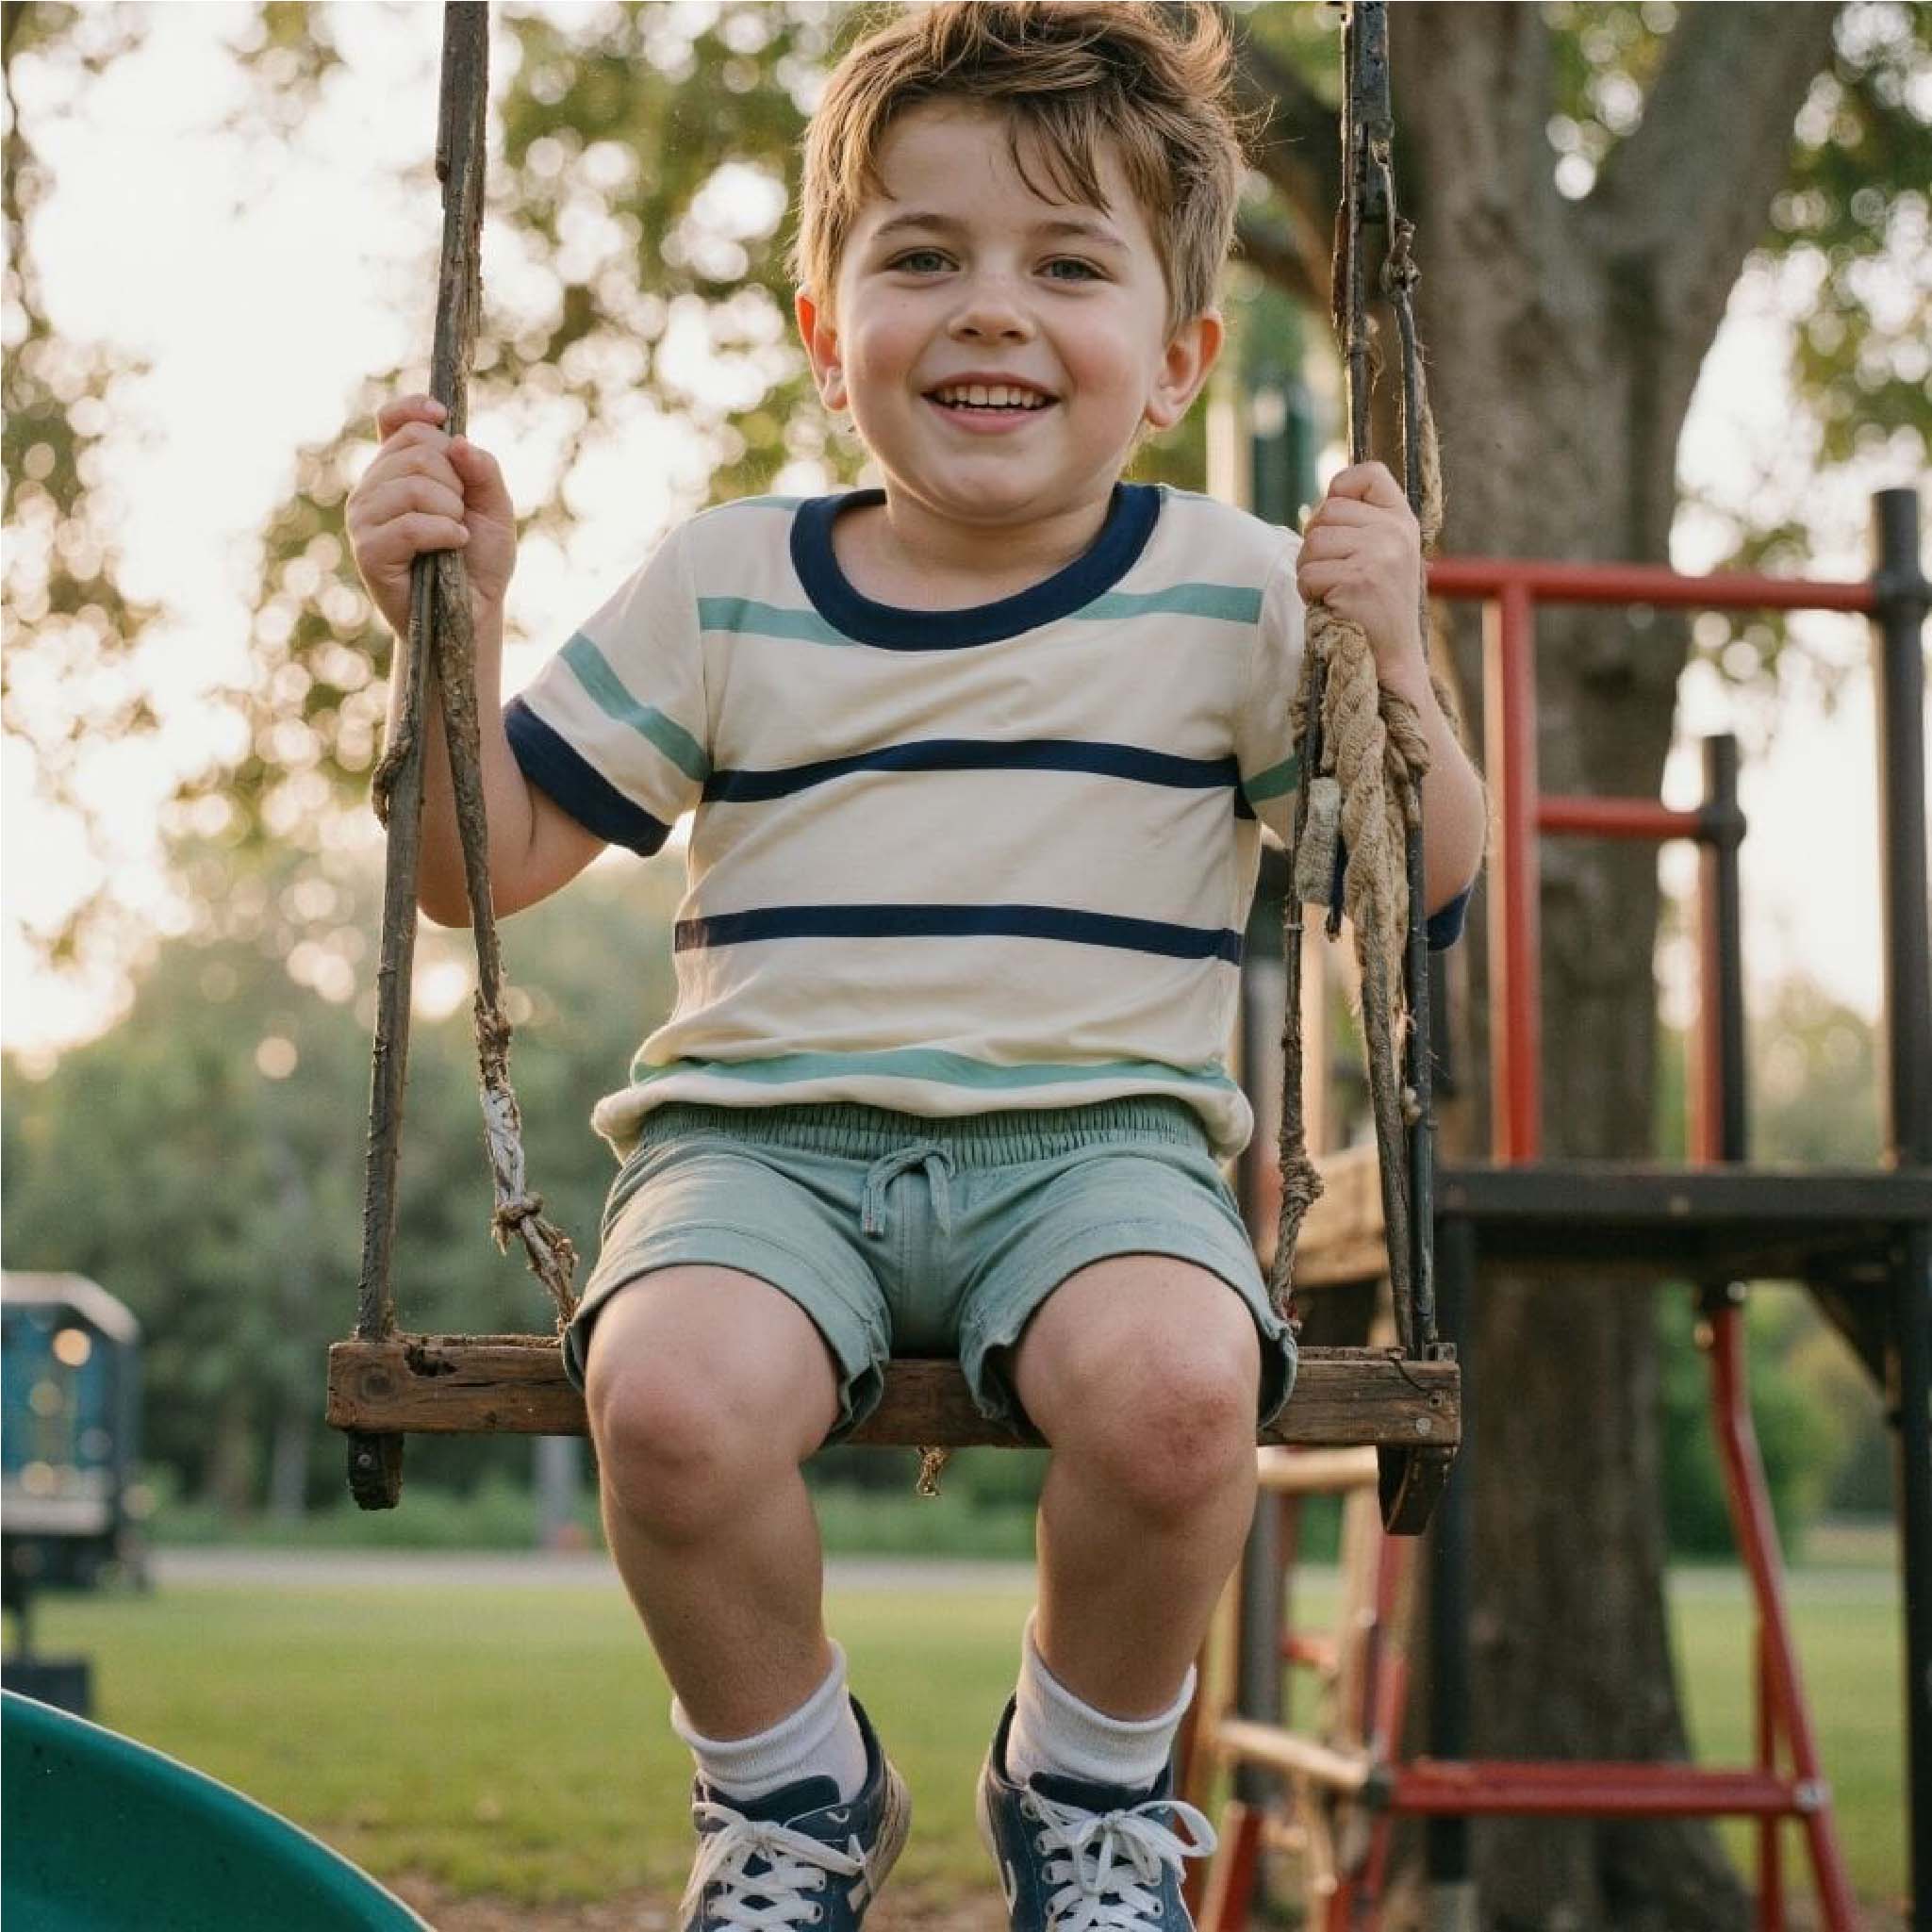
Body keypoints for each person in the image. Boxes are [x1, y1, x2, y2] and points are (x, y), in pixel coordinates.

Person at [347, 6, 1486, 1929]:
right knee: (670, 1398)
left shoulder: (1231, 589)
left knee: (1188, 1389)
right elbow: (469, 864)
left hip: (1103, 1153)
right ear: (823, 328)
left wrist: (1400, 663)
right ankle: (789, 1793)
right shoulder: (725, 581)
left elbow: (1419, 905)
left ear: (1172, 360)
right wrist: (442, 626)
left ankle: (1092, 1789)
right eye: (921, 255)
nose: (988, 309)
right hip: (756, 1151)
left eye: (1065, 265)